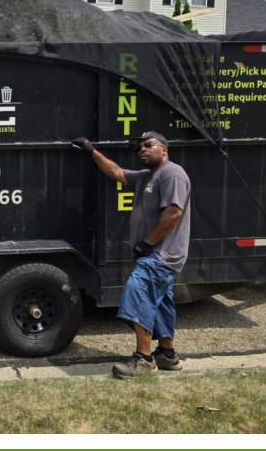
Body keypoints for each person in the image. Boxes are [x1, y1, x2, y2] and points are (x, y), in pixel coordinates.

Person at [71, 131, 191, 379]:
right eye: (139, 147)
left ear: (165, 150)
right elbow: (115, 172)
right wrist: (91, 151)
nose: (143, 149)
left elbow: (173, 213)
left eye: (149, 145)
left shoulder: (172, 173)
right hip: (157, 254)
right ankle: (167, 355)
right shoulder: (146, 176)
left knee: (140, 294)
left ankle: (144, 360)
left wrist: (146, 244)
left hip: (160, 254)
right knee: (162, 302)